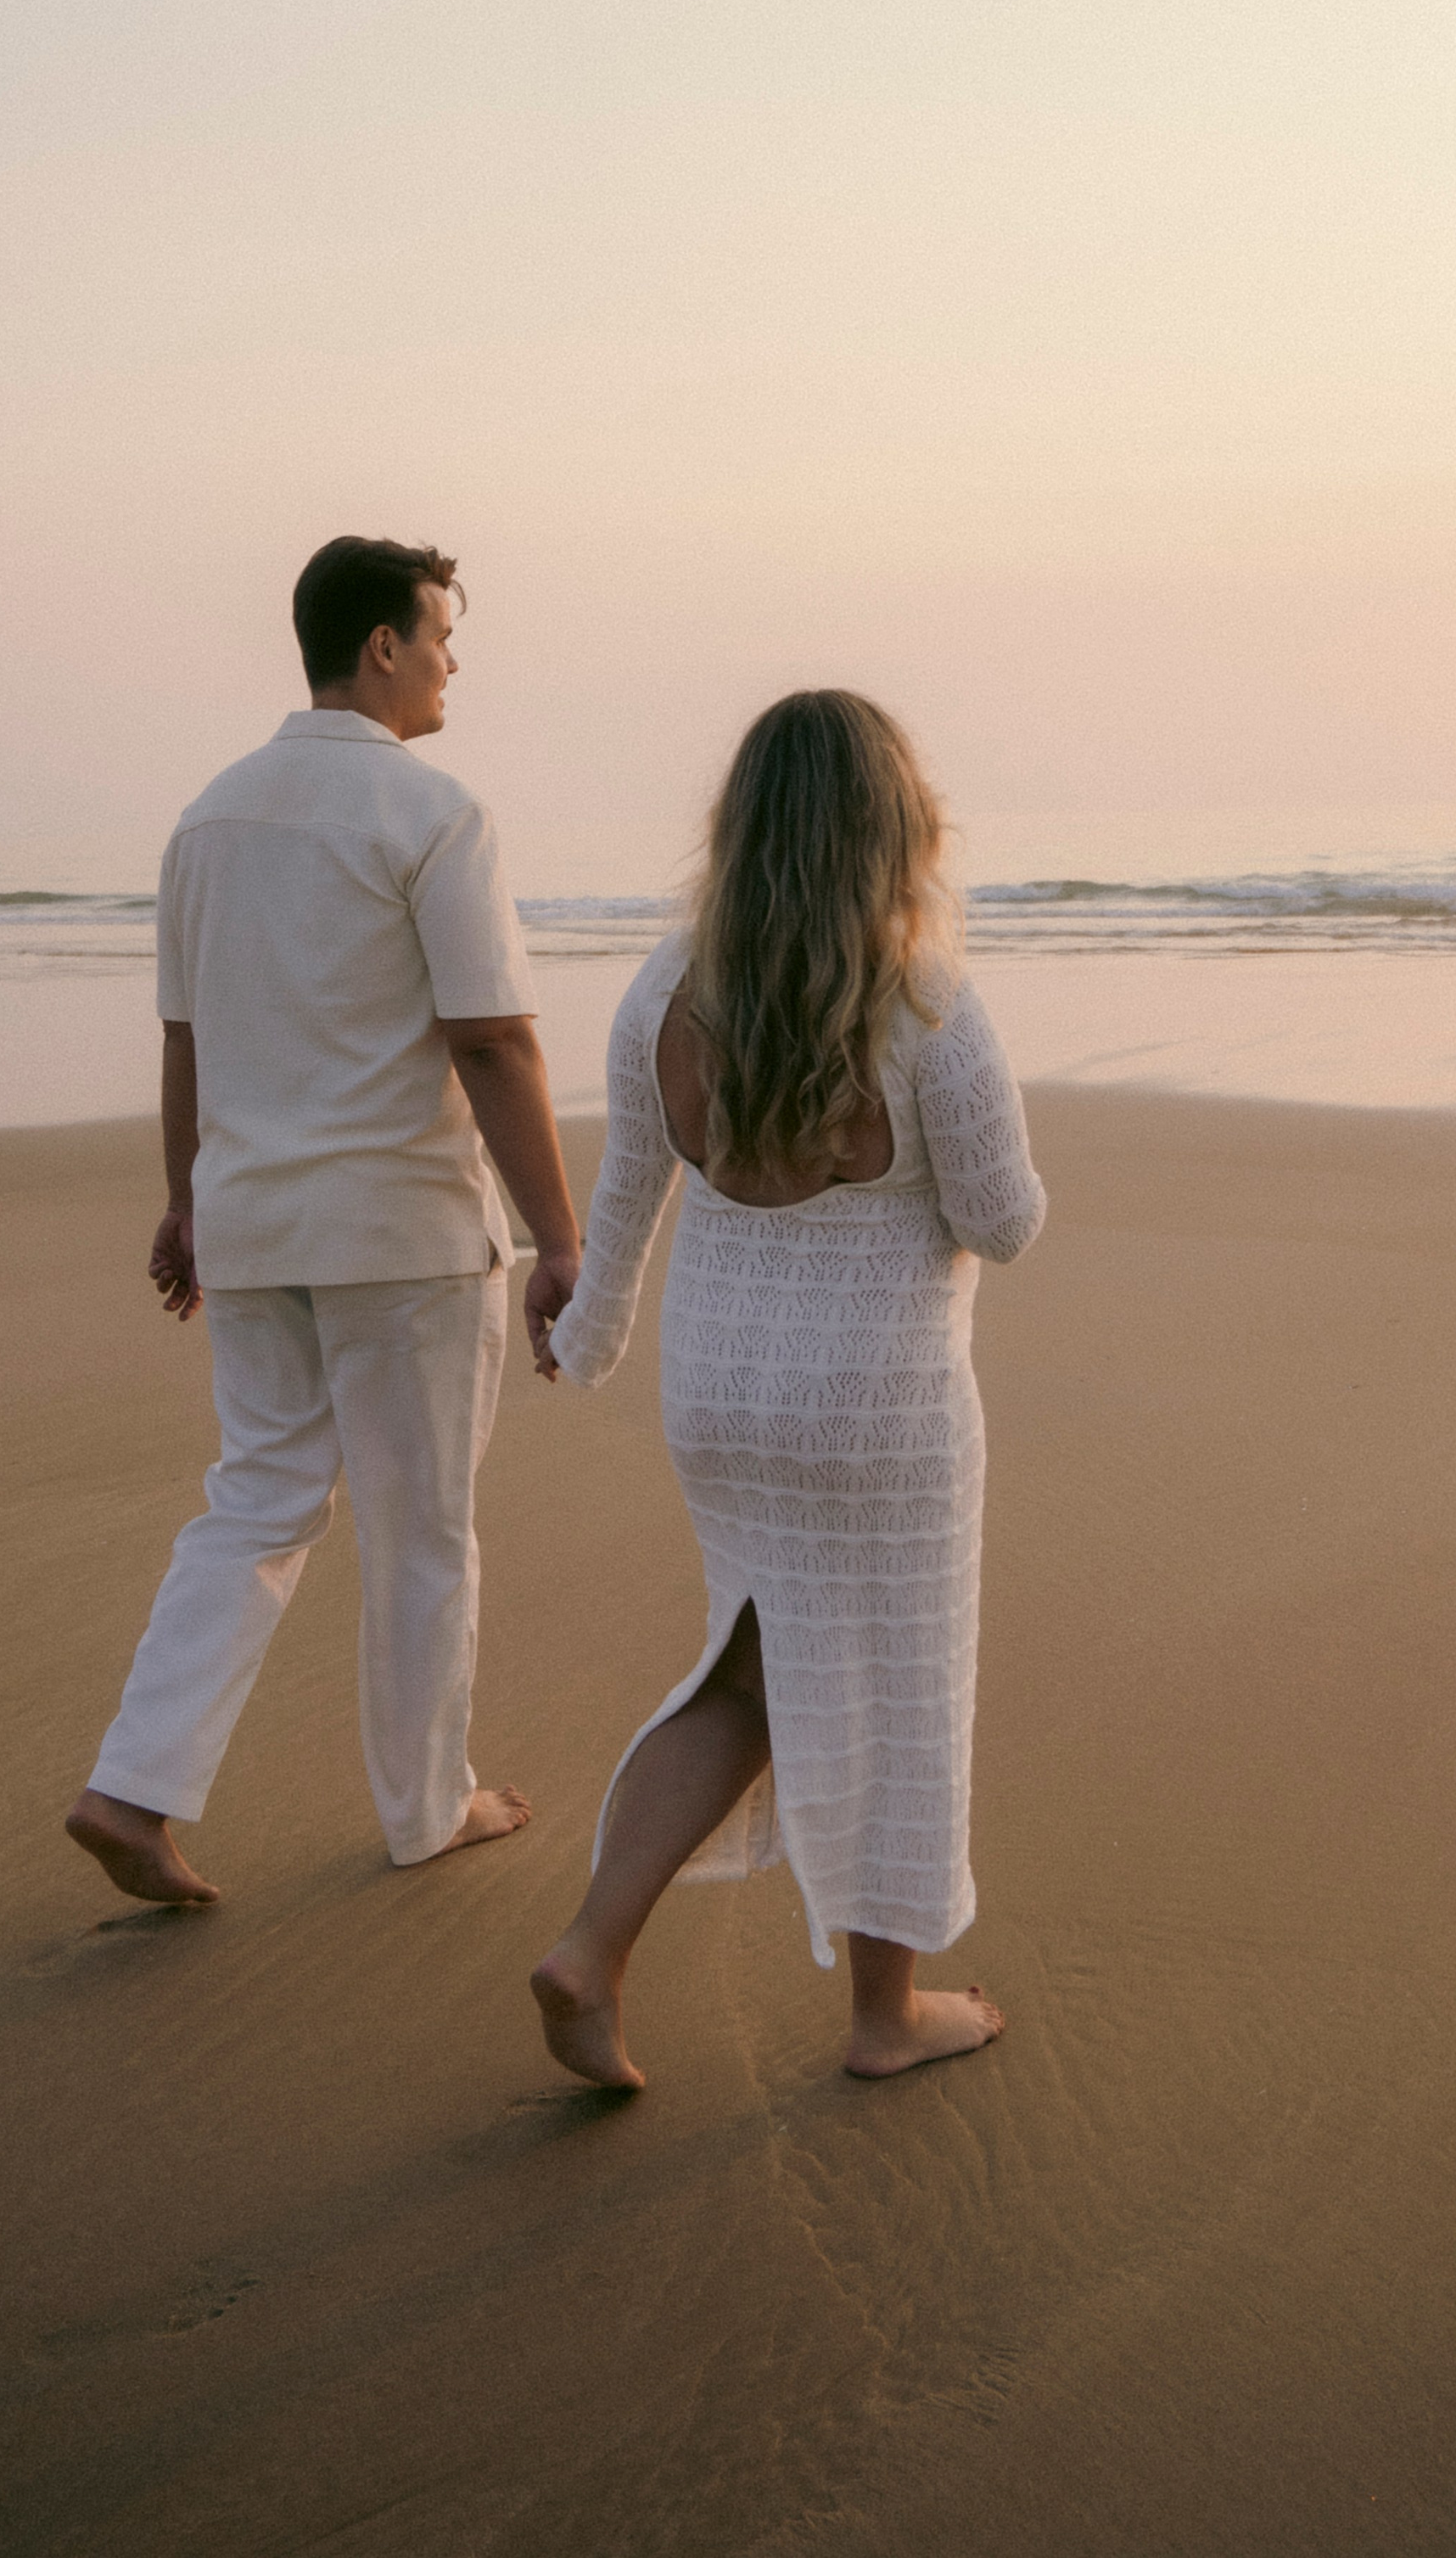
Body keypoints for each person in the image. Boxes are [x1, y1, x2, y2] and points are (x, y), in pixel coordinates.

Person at [529, 690, 1045, 2086]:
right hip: (878, 1409)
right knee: (905, 1691)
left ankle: (591, 1948)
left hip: (719, 1394)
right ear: (899, 831)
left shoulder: (664, 991)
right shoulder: (929, 1002)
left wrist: (580, 1340)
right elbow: (1004, 1220)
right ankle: (888, 2014)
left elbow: (625, 1204)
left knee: (745, 1671)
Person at [65, 535, 579, 1904]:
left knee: (257, 1502)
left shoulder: (210, 816)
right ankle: (426, 1809)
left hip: (251, 1221)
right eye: (441, 632)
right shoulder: (432, 813)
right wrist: (562, 1236)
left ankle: (134, 1786)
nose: (454, 657)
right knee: (422, 1527)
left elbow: (188, 1041)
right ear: (383, 648)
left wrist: (186, 1198)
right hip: (401, 1231)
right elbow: (493, 1041)